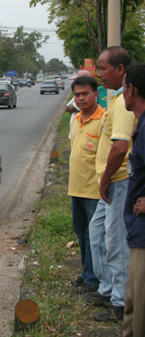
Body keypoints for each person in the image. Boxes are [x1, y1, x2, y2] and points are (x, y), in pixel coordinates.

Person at [83, 46, 136, 322]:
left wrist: (104, 179)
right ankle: (108, 288)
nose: (98, 74)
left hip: (118, 182)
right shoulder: (115, 99)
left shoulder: (125, 105)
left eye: (103, 69)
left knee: (116, 242)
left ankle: (121, 303)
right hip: (109, 184)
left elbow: (120, 147)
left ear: (120, 70)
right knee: (98, 234)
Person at [68, 76, 104, 294]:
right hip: (76, 188)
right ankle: (86, 273)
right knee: (81, 233)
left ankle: (94, 279)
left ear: (95, 94)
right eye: (77, 95)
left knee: (95, 236)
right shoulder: (76, 118)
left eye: (85, 94)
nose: (81, 98)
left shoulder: (103, 119)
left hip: (95, 191)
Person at [121, 63, 145, 336]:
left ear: (132, 89)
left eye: (124, 88)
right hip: (137, 229)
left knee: (140, 310)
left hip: (143, 232)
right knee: (132, 303)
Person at [66, 70, 92, 139]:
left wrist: (74, 107)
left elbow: (71, 108)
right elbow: (67, 107)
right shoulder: (79, 94)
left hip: (83, 132)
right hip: (75, 132)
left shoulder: (89, 95)